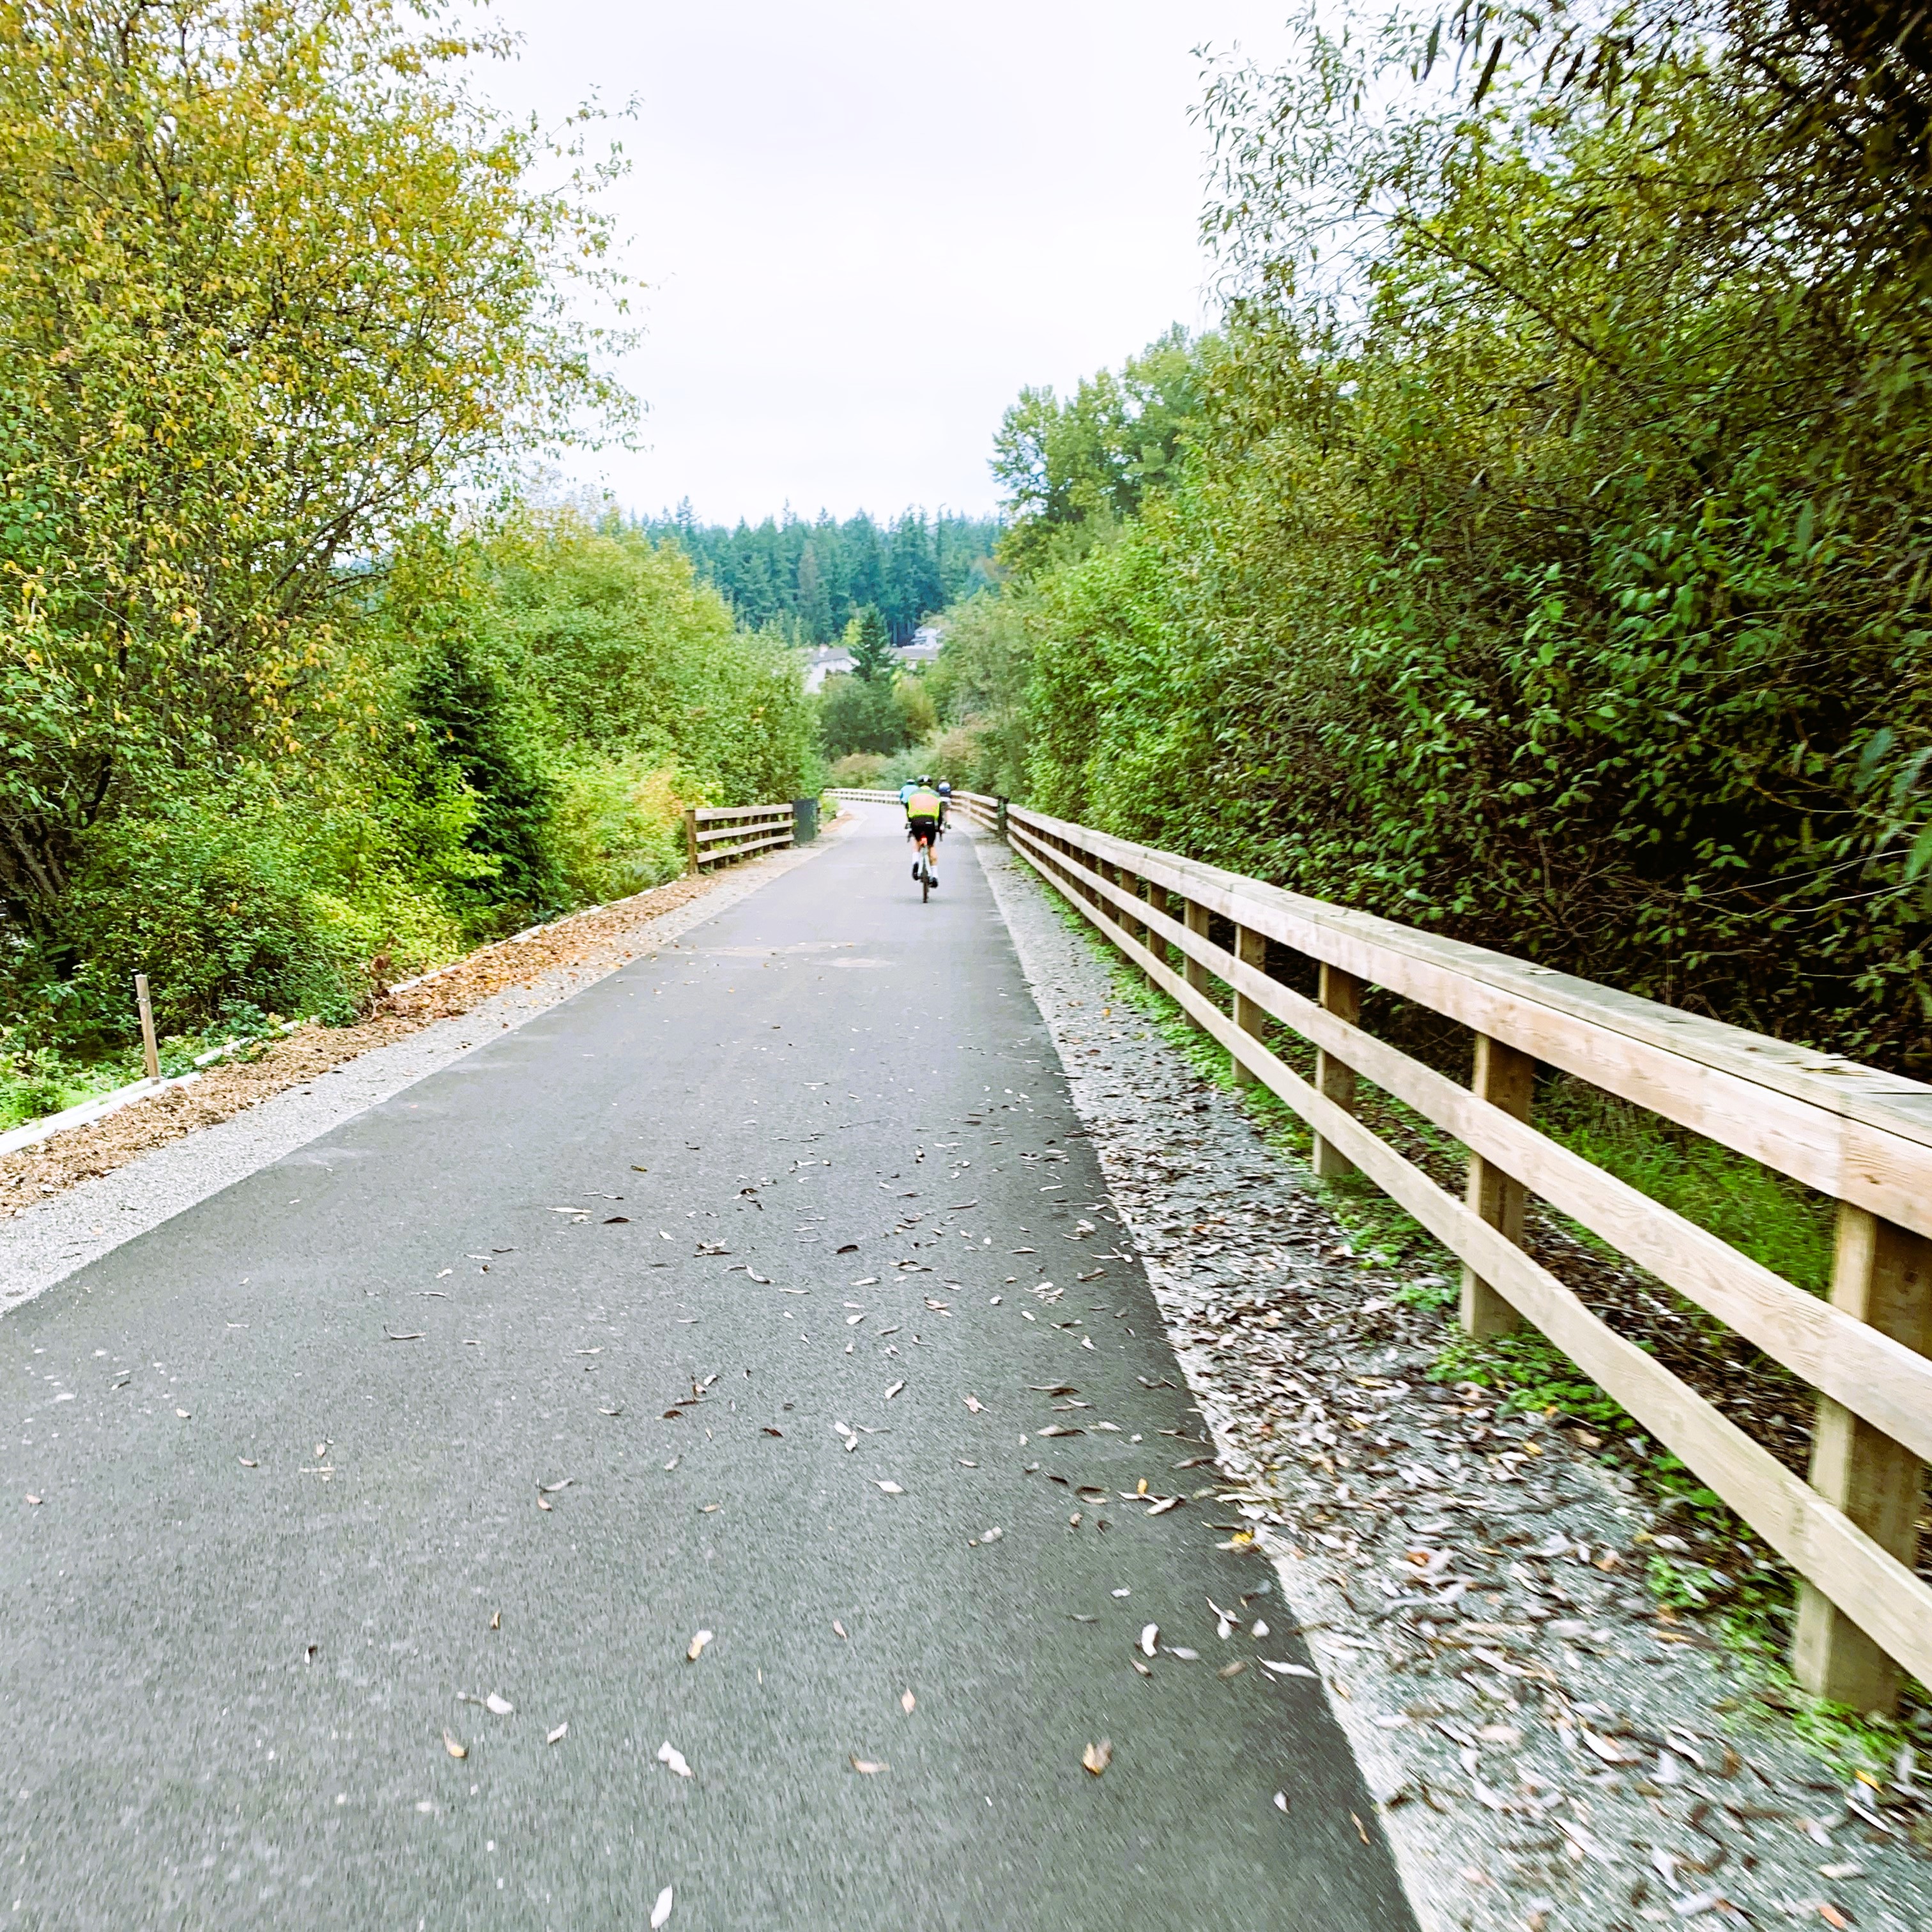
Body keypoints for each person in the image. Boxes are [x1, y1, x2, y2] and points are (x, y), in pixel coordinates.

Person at [903, 777, 944, 888]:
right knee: (931, 845)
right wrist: (940, 826)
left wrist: (910, 823)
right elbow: (940, 813)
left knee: (917, 840)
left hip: (916, 821)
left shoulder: (913, 794)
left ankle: (915, 861)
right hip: (930, 821)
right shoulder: (936, 795)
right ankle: (935, 876)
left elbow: (908, 809)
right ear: (931, 784)